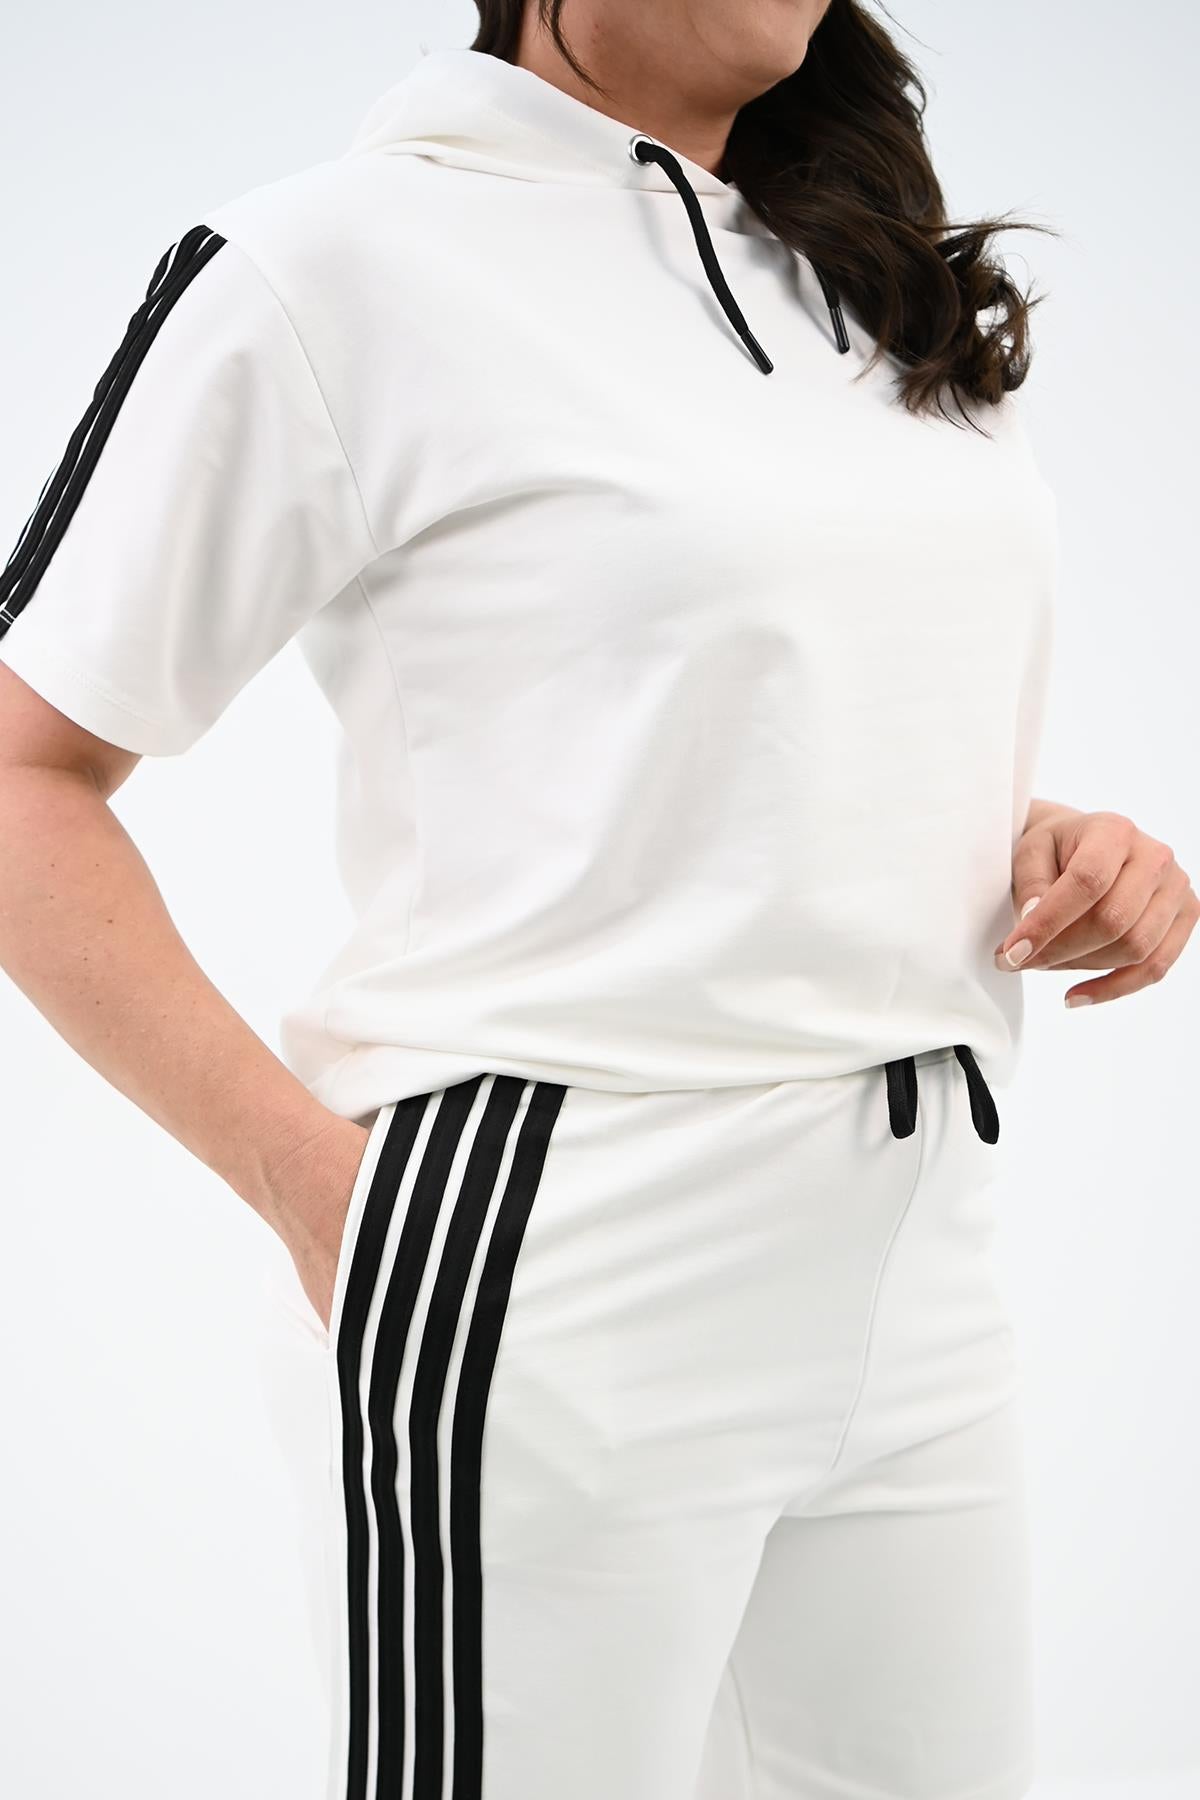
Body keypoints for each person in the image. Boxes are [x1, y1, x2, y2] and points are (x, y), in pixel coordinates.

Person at [0, 4, 1195, 1798]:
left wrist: (1045, 838)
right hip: (556, 1247)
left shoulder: (849, 279)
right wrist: (312, 1186)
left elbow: (734, 719)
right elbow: (24, 767)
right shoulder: (333, 267)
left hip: (919, 1244)